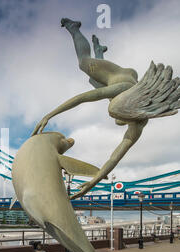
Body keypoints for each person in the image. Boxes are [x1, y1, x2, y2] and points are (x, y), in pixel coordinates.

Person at [32, 18, 180, 199]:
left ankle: (100, 51)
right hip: (120, 75)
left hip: (125, 83)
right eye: (117, 117)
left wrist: (94, 181)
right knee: (84, 63)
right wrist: (50, 115)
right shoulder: (123, 90)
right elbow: (82, 98)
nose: (117, 122)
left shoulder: (138, 124)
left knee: (95, 81)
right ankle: (74, 28)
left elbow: (114, 157)